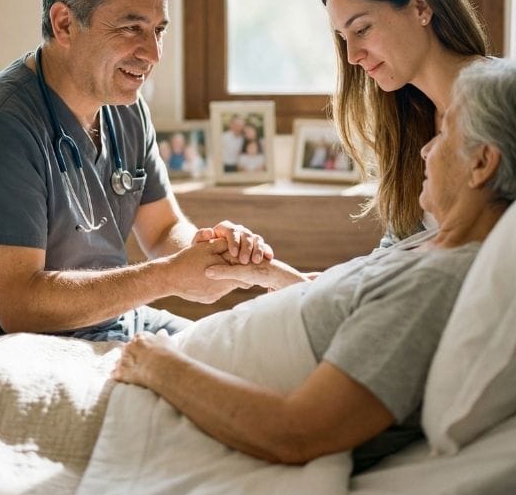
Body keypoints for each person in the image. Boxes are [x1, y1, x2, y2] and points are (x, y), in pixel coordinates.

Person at [114, 57, 516, 471]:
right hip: (166, 375)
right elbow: (351, 315)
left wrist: (155, 364)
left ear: (482, 163)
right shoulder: (430, 245)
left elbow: (296, 433)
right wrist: (264, 274)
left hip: (159, 394)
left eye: (446, 132)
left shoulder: (435, 283)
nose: (426, 148)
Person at [0, 0, 271, 351]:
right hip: (4, 345)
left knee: (247, 349)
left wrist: (207, 254)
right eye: (131, 28)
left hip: (112, 323)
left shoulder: (125, 107)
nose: (153, 53)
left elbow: (162, 229)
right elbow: (20, 305)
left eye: (159, 29)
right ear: (65, 24)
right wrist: (169, 276)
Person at [320, 0, 490, 243]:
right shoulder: (406, 120)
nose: (353, 56)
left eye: (363, 28)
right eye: (344, 37)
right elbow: (388, 263)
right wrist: (277, 275)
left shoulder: (503, 101)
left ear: (421, 5)